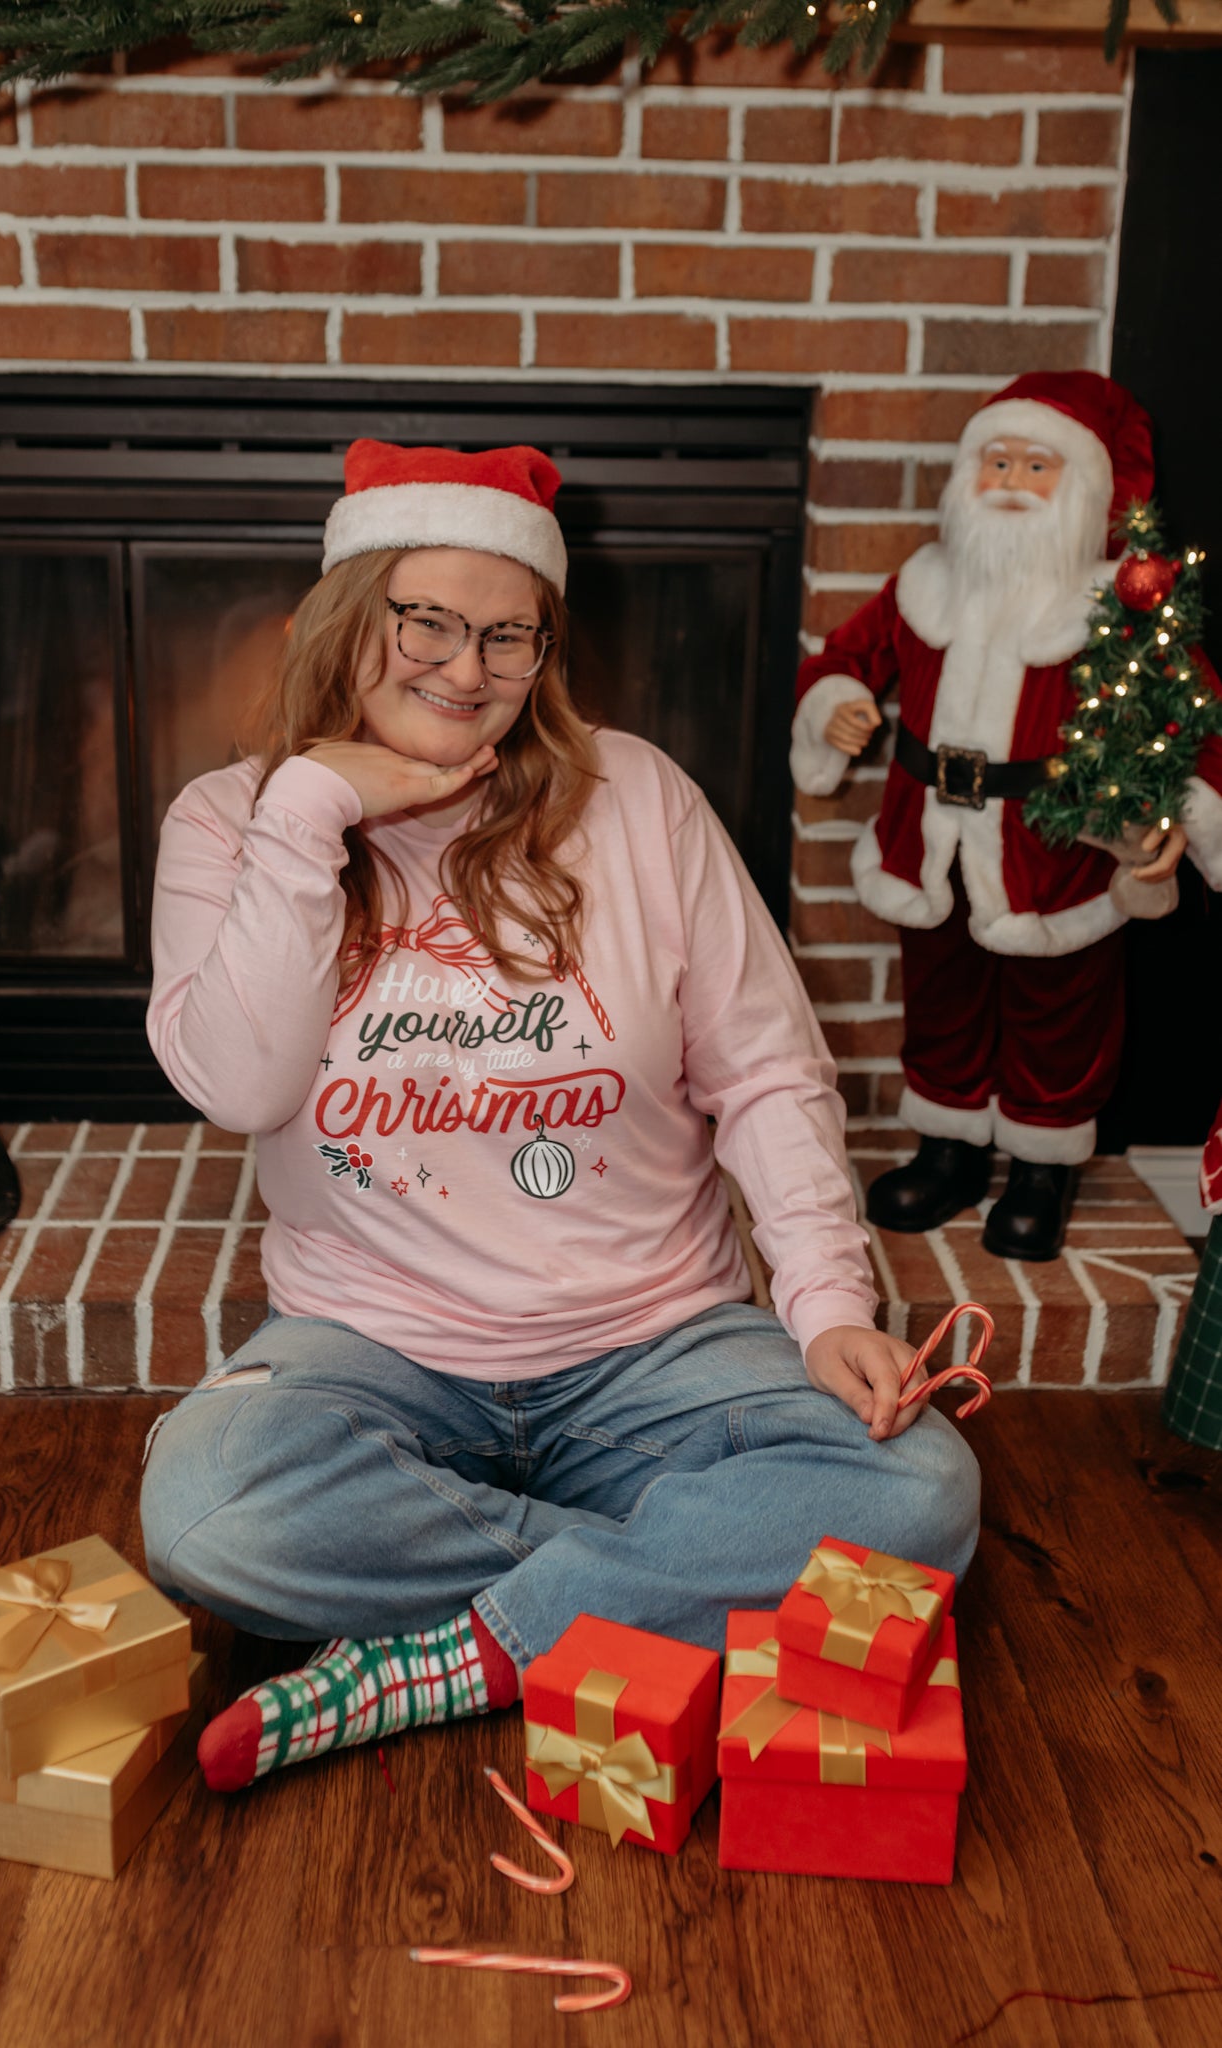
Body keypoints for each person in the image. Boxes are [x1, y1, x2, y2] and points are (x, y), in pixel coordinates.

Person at [139, 438, 980, 1796]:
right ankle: (670, 1566)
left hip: (654, 1342)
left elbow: (764, 1069)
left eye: (508, 635)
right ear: (351, 617)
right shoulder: (232, 823)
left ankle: (455, 1651)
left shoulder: (637, 799)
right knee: (206, 1506)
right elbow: (238, 1087)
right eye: (426, 621)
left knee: (923, 1488)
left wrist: (826, 1307)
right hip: (372, 1347)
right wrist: (310, 810)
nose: (465, 670)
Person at [791, 372, 1222, 1261]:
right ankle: (946, 1146)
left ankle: (1038, 1167)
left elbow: (1194, 714)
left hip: (1053, 849)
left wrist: (1189, 812)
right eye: (997, 461)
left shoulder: (1117, 603)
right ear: (967, 472)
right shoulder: (924, 582)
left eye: (1038, 466)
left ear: (1088, 492)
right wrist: (834, 698)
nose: (1012, 483)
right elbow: (848, 653)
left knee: (1056, 1009)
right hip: (929, 842)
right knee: (941, 996)